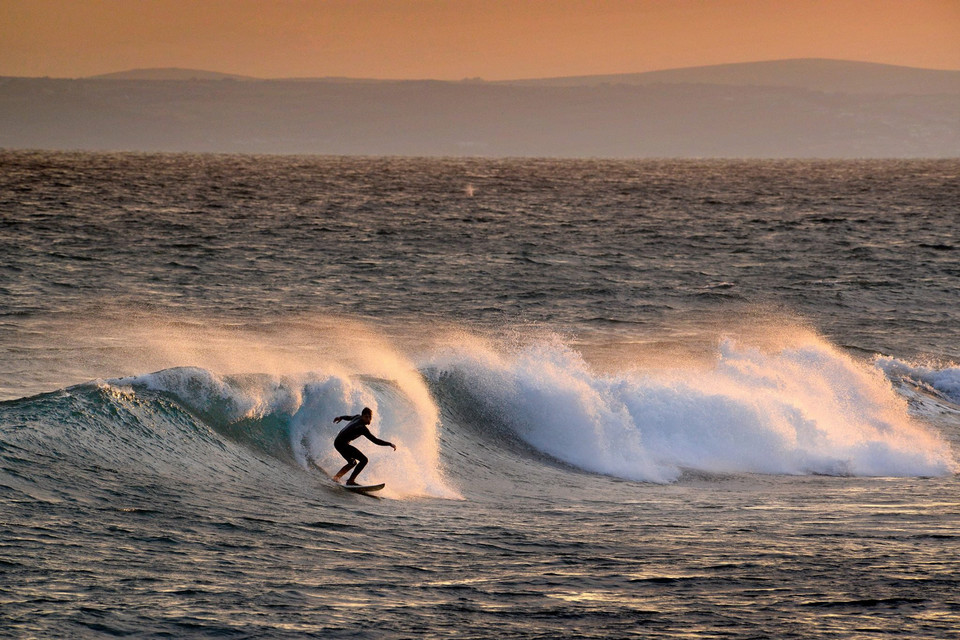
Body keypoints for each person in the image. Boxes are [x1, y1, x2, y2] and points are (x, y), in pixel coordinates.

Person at [331, 407, 396, 485]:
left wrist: (341, 417)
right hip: (341, 444)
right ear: (362, 416)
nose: (368, 419)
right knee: (364, 460)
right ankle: (350, 481)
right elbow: (375, 440)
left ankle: (337, 477)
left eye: (369, 417)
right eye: (366, 417)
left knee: (352, 462)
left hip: (337, 442)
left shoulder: (357, 417)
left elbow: (348, 417)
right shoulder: (362, 428)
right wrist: (389, 444)